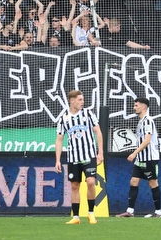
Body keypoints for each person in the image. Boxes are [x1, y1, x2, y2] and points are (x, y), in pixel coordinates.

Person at [55, 89, 104, 225]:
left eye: (83, 99)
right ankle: (76, 217)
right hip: (73, 158)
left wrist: (100, 153)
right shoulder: (64, 118)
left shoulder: (88, 114)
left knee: (90, 182)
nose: (82, 102)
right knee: (75, 186)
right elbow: (59, 139)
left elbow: (98, 132)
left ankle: (91, 213)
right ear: (72, 100)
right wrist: (58, 160)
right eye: (80, 100)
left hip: (89, 156)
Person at [117, 97, 161, 218]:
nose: (134, 107)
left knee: (153, 183)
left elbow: (147, 140)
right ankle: (130, 211)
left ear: (143, 107)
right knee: (133, 181)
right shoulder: (141, 122)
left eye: (136, 105)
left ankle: (158, 212)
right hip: (140, 159)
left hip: (150, 158)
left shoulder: (148, 121)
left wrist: (134, 153)